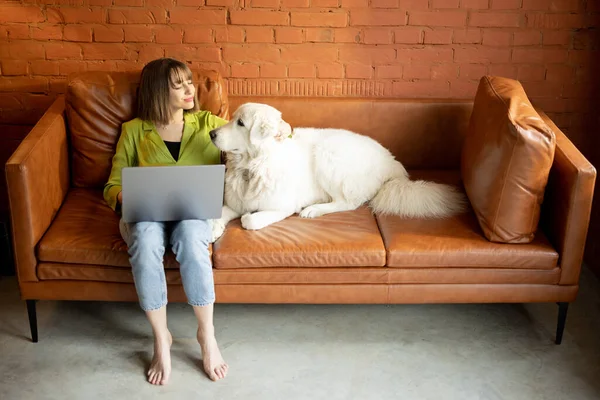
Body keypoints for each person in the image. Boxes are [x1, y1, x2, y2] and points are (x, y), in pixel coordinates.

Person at [103, 58, 228, 385]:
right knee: (144, 240)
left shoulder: (209, 124)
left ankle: (207, 335)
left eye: (190, 81)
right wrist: (124, 197)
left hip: (194, 213)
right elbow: (112, 184)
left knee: (190, 235)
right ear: (159, 91)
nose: (191, 89)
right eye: (179, 84)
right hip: (147, 215)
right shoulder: (133, 130)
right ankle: (161, 338)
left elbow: (250, 140)